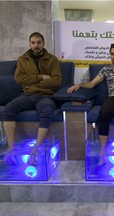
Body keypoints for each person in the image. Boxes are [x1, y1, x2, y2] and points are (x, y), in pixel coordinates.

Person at [67, 43, 114, 166]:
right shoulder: (106, 69)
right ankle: (102, 152)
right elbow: (92, 84)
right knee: (104, 114)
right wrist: (79, 85)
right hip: (113, 98)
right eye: (112, 54)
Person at [2, 32, 62, 165]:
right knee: (8, 110)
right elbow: (19, 79)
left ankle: (35, 150)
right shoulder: (23, 59)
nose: (36, 45)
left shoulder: (52, 60)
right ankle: (11, 148)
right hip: (27, 95)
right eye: (33, 43)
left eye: (39, 42)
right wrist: (40, 77)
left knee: (47, 111)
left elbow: (56, 82)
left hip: (46, 96)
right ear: (30, 44)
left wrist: (30, 81)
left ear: (43, 43)